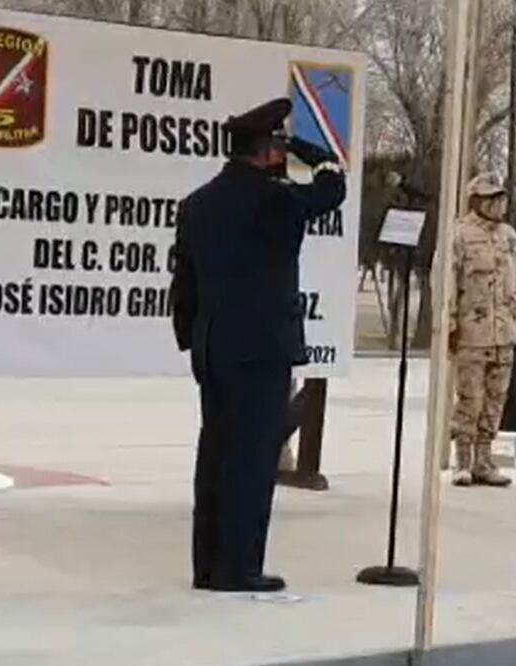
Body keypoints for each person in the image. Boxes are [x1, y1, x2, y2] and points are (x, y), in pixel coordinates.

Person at [169, 97, 346, 592]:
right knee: (251, 460)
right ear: (269, 150)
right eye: (279, 146)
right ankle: (239, 568)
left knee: (216, 456)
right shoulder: (275, 199)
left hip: (212, 347)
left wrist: (192, 337)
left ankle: (207, 565)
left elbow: (184, 282)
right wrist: (313, 152)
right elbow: (333, 189)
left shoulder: (197, 203)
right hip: (261, 348)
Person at [448, 173, 516, 488]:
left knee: (496, 400)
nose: (498, 204)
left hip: (502, 333)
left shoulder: (509, 237)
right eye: (491, 198)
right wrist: (450, 323)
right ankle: (462, 462)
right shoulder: (460, 235)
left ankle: (484, 460)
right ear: (476, 200)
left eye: (501, 198)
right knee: (470, 398)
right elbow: (447, 282)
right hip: (472, 333)